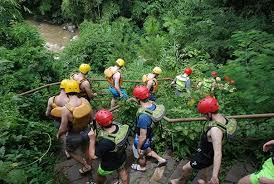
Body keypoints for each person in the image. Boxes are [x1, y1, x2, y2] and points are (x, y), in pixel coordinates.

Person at [170, 96, 228, 184]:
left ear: (209, 113)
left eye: (204, 114)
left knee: (185, 168)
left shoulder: (215, 130)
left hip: (205, 156)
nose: (203, 116)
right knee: (205, 169)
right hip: (208, 151)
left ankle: (179, 181)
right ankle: (205, 180)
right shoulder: (223, 118)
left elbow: (218, 153)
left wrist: (215, 176)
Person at [58, 80, 93, 174]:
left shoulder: (65, 109)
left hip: (74, 134)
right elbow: (91, 118)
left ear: (66, 92)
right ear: (78, 90)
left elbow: (63, 128)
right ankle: (89, 165)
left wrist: (59, 134)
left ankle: (85, 164)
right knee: (86, 149)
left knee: (69, 151)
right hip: (86, 131)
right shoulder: (85, 101)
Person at [131, 85, 167, 172]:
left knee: (140, 154)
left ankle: (142, 167)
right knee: (147, 150)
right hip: (150, 135)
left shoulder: (143, 117)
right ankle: (161, 160)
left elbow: (142, 136)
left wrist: (139, 147)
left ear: (138, 99)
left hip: (143, 138)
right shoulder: (153, 104)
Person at [88, 109, 129, 184]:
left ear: (100, 124)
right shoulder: (119, 126)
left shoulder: (105, 142)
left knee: (100, 174)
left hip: (109, 163)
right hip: (121, 156)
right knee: (122, 170)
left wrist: (92, 140)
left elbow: (93, 156)